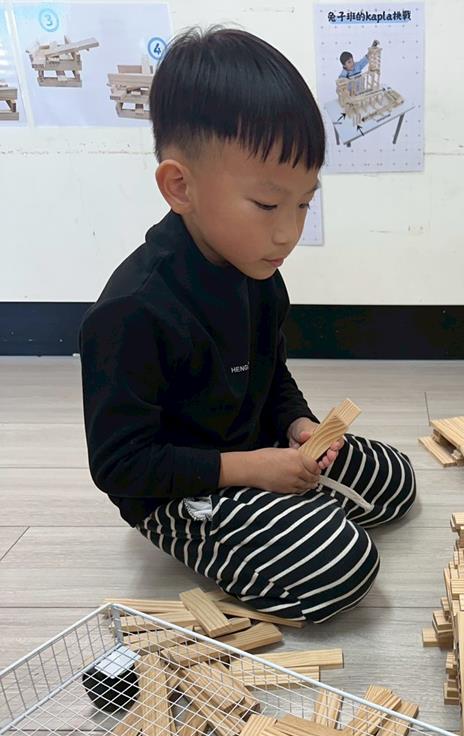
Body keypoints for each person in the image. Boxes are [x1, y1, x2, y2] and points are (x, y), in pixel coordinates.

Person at [79, 27, 415, 624]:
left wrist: (299, 424)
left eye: (304, 203)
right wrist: (252, 469)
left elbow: (271, 372)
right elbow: (120, 466)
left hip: (255, 449)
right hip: (178, 490)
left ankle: (289, 514)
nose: (289, 232)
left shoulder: (257, 269)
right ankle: (279, 525)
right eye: (267, 205)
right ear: (180, 186)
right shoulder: (132, 311)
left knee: (397, 483)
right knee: (345, 564)